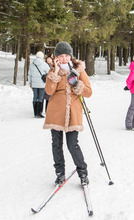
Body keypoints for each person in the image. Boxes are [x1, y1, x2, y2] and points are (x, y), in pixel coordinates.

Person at [43, 42, 92, 186]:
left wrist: (77, 84)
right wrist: (55, 73)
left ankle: (83, 173)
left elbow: (88, 92)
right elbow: (49, 91)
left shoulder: (79, 70)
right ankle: (60, 174)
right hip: (56, 113)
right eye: (61, 56)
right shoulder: (52, 71)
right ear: (56, 57)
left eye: (66, 56)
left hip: (73, 113)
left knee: (73, 145)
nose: (64, 59)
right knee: (56, 145)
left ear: (70, 56)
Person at [28, 51, 50, 118]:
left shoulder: (32, 64)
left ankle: (35, 112)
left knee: (35, 97)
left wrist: (30, 82)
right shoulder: (44, 64)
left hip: (34, 84)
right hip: (42, 84)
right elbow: (49, 72)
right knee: (40, 98)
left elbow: (29, 74)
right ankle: (39, 113)